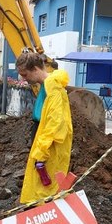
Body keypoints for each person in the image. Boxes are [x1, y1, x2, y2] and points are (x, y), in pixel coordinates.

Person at [16, 53, 73, 204]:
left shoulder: (53, 89)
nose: (23, 78)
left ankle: (43, 218)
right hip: (42, 140)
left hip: (47, 147)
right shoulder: (46, 86)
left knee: (45, 186)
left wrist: (41, 152)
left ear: (35, 69)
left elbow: (54, 124)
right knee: (41, 186)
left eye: (25, 74)